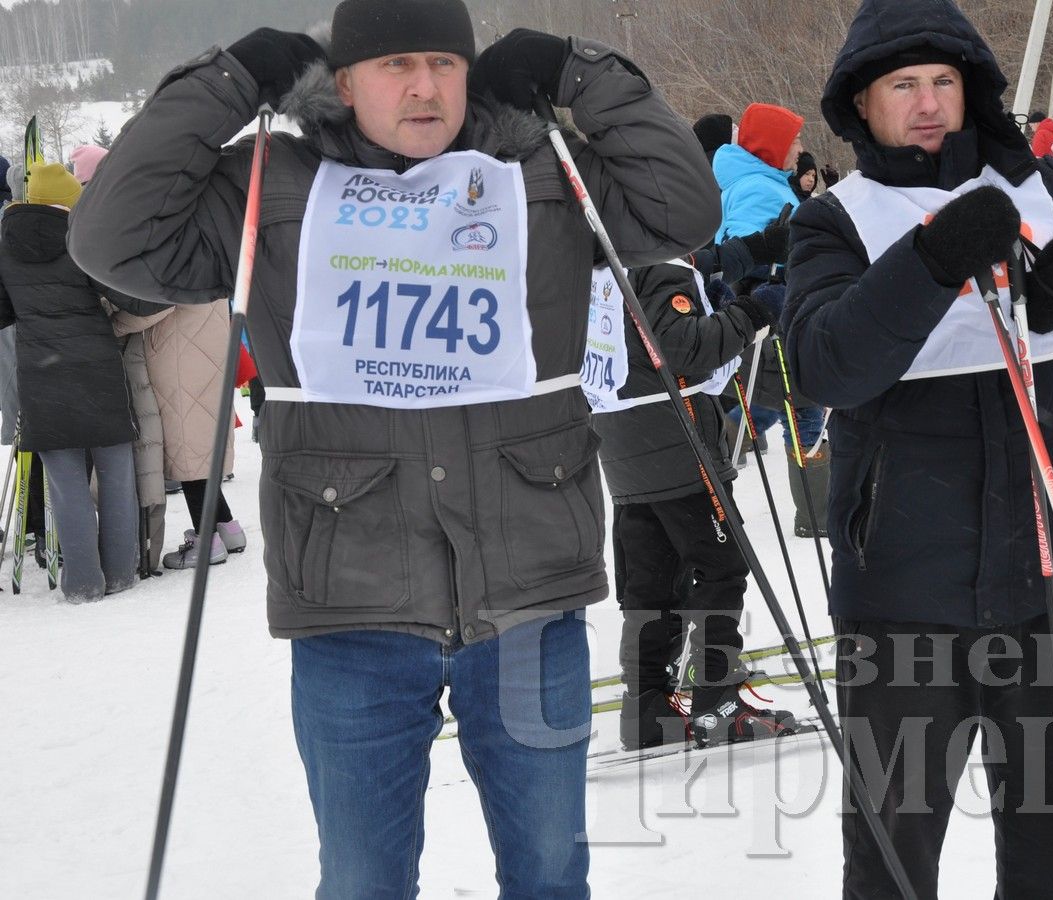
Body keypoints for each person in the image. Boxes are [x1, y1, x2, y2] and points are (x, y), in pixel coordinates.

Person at [68, 0, 719, 895]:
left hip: (527, 595)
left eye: (445, 64)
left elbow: (681, 210)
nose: (424, 87)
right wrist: (226, 84)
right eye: (395, 65)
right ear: (341, 83)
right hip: (351, 605)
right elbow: (112, 237)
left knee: (550, 873)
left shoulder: (534, 170)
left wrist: (578, 71)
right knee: (364, 881)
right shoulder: (275, 181)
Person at [783, 0, 1053, 895]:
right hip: (903, 601)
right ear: (860, 106)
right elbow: (826, 362)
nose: (925, 103)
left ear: (970, 89)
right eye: (900, 85)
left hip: (1048, 590)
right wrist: (930, 258)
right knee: (892, 856)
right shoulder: (838, 219)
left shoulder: (1040, 187)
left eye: (942, 81)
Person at [589, 263, 797, 749]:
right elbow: (686, 350)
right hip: (676, 438)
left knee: (653, 582)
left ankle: (646, 707)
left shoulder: (596, 251)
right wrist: (753, 311)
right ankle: (717, 700)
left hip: (620, 441)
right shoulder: (659, 258)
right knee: (719, 569)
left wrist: (739, 279)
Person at [0, 163, 140, 603]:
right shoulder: (81, 240)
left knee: (65, 484)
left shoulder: (4, 246)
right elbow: (131, 295)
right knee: (117, 475)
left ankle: (82, 584)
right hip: (96, 369)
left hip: (42, 374)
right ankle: (120, 573)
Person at [109, 298, 245, 569]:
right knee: (201, 444)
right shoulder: (208, 256)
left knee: (188, 452)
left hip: (180, 356)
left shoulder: (176, 257)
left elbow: (156, 304)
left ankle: (206, 542)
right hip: (206, 348)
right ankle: (227, 528)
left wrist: (113, 323)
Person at [713, 102, 804, 241]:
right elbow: (747, 255)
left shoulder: (761, 181)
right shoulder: (758, 189)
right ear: (775, 144)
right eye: (795, 141)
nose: (801, 150)